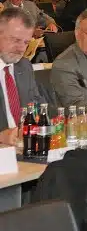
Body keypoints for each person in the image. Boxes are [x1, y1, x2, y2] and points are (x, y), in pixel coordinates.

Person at [0, 8, 46, 145]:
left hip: (24, 146)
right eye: (15, 40)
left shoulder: (24, 66)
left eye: (26, 42)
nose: (21, 48)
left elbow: (38, 105)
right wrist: (1, 136)